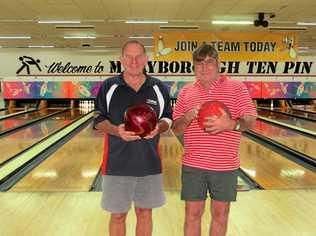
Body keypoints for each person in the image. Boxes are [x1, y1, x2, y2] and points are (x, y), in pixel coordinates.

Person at [172, 44, 257, 236]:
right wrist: (187, 117)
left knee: (221, 214)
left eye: (210, 62)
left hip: (225, 165)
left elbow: (250, 120)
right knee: (192, 214)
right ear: (194, 66)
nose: (204, 67)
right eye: (199, 62)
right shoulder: (186, 91)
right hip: (193, 164)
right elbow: (175, 128)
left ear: (218, 64)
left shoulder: (236, 87)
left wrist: (230, 124)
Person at [94, 40, 172, 236]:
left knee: (145, 213)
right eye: (129, 56)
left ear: (146, 59)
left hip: (149, 163)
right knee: (118, 215)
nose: (134, 61)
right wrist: (115, 130)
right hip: (117, 164)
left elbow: (168, 119)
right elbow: (98, 118)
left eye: (138, 56)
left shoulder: (158, 87)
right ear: (121, 60)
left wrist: (158, 128)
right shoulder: (109, 86)